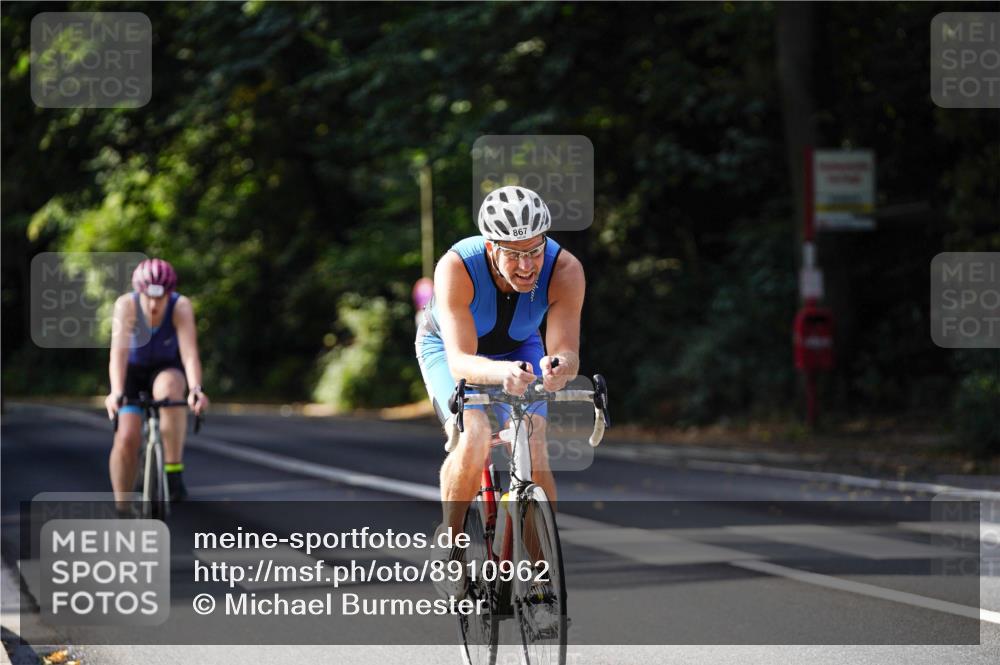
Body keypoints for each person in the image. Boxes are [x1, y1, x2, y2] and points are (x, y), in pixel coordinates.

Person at [415, 185, 585, 596]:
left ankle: (542, 578)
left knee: (533, 440)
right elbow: (460, 361)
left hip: (519, 347)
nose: (527, 266)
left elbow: (566, 351)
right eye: (513, 253)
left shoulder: (565, 269)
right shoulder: (456, 266)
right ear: (491, 247)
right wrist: (499, 373)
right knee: (474, 434)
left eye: (535, 251)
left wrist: (559, 367)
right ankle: (451, 544)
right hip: (449, 349)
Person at [104, 258, 208, 506]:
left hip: (165, 368)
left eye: (160, 298)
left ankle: (173, 470)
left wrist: (196, 389)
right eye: (148, 297)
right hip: (132, 371)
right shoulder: (126, 305)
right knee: (127, 437)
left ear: (169, 294)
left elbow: (189, 355)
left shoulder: (181, 307)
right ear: (139, 292)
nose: (153, 305)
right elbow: (118, 354)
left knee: (170, 389)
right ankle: (122, 507)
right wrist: (116, 392)